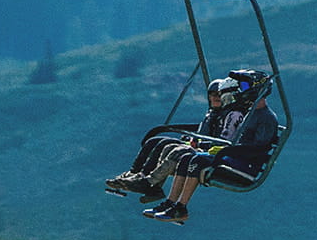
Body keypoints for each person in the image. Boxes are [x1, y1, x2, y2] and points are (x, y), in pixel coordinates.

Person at [104, 70, 280, 224]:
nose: (239, 90)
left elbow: (256, 148)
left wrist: (224, 150)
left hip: (245, 165)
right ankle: (171, 203)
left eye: (243, 86)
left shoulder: (266, 118)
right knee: (187, 157)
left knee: (197, 159)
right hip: (231, 156)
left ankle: (180, 206)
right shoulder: (249, 114)